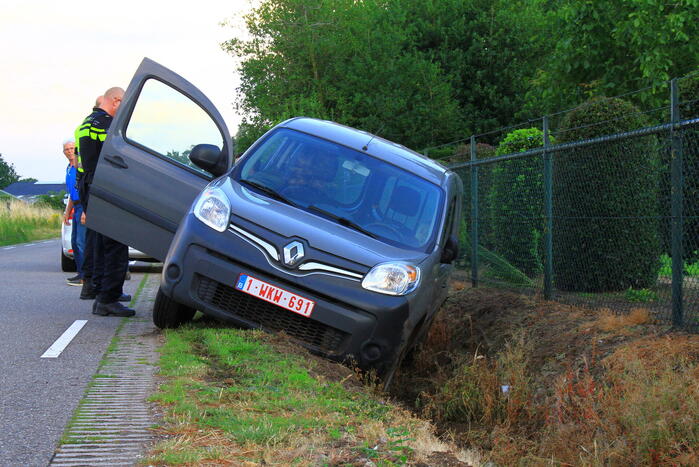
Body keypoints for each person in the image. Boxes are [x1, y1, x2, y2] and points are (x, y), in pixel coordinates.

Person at [76, 87, 134, 317]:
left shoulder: (86, 123)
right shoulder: (106, 124)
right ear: (116, 101)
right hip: (104, 186)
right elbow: (118, 156)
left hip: (90, 186)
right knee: (115, 245)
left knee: (100, 243)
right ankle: (108, 299)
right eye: (123, 103)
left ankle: (102, 292)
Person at [62, 139, 85, 286]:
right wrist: (67, 212)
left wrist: (86, 210)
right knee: (75, 242)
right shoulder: (68, 169)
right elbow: (71, 193)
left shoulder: (80, 167)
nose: (70, 151)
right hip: (75, 206)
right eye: (67, 149)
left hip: (83, 206)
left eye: (72, 149)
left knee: (81, 242)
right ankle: (80, 273)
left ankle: (86, 276)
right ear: (64, 152)